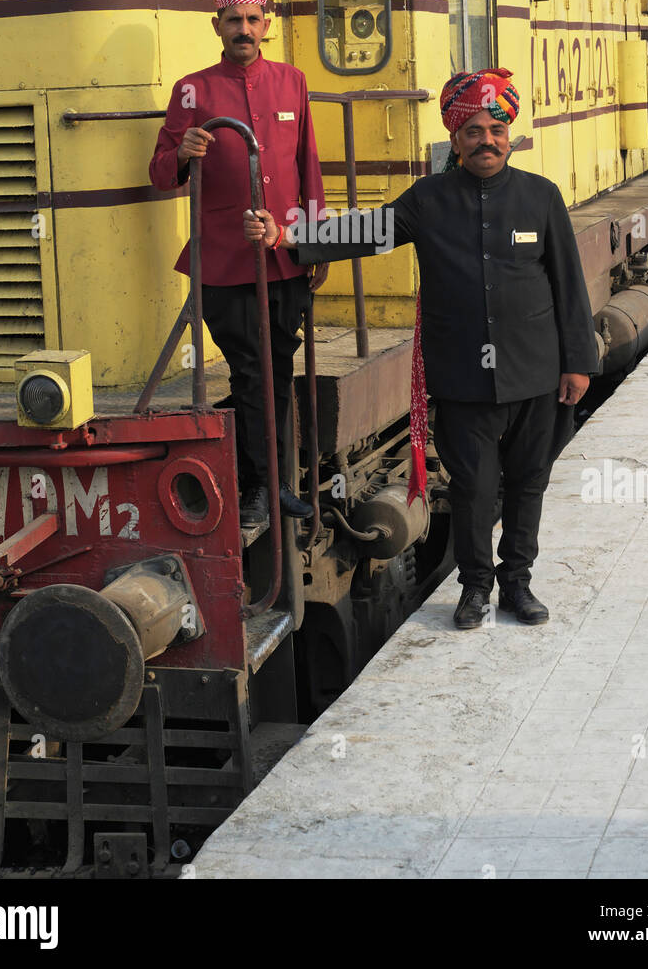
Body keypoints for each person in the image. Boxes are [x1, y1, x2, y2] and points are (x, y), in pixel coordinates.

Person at [243, 67, 599, 625]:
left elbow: (569, 285)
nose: (487, 140)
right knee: (473, 489)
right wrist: (290, 237)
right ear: (455, 140)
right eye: (474, 131)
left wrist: (578, 363)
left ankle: (518, 585)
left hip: (536, 374)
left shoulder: (541, 197)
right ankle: (476, 587)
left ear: (511, 135)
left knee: (529, 484)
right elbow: (368, 231)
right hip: (461, 379)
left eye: (497, 130)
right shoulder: (428, 200)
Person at [149, 0, 328, 526]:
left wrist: (313, 242)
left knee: (276, 366)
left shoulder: (292, 81)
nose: (244, 29)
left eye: (253, 19)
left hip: (284, 255)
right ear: (217, 26)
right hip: (225, 262)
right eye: (234, 20)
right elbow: (159, 174)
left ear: (267, 25)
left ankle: (271, 484)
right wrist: (185, 150)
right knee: (253, 371)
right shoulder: (192, 89)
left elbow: (308, 168)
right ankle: (264, 489)